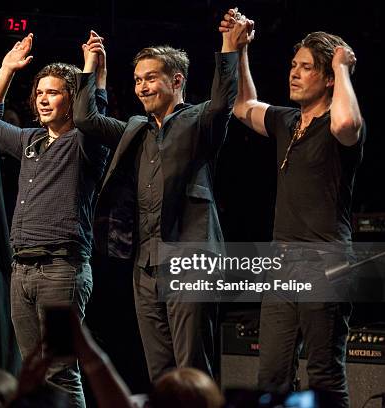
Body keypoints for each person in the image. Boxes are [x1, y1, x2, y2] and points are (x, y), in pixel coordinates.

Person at [74, 18, 252, 381]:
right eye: (138, 80)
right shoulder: (135, 130)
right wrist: (93, 67)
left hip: (191, 259)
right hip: (145, 265)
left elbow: (222, 102)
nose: (142, 87)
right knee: (160, 372)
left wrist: (230, 46)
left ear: (176, 80)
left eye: (150, 78)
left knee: (192, 368)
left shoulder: (199, 120)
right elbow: (85, 117)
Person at [220, 9, 365, 407]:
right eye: (293, 65)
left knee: (324, 375)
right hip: (281, 262)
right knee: (272, 377)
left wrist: (343, 68)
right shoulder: (287, 121)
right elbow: (242, 105)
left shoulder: (338, 123)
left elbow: (346, 125)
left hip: (326, 261)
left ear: (329, 79)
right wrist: (240, 49)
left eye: (306, 68)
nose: (294, 74)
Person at [0, 32, 109, 408]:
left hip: (61, 268)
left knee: (61, 371)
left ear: (71, 100)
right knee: (33, 373)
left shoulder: (86, 140)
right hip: (23, 271)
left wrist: (92, 69)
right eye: (39, 93)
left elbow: (92, 109)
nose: (44, 99)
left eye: (54, 93)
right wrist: (6, 69)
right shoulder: (30, 140)